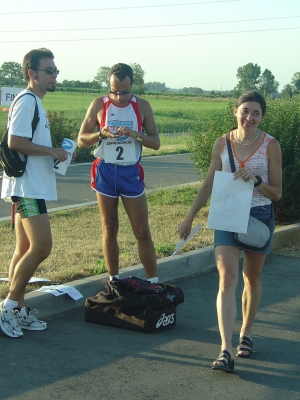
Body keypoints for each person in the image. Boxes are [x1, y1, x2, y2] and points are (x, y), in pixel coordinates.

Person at [178, 90, 282, 372]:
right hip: (226, 214)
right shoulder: (222, 143)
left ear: (262, 117)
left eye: (256, 113)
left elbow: (277, 193)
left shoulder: (271, 145)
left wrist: (258, 180)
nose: (249, 117)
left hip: (258, 216)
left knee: (252, 277)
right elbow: (209, 184)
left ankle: (245, 333)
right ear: (235, 111)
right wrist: (189, 218)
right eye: (245, 110)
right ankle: (225, 349)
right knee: (227, 278)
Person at [0, 48, 69, 338]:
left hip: (31, 187)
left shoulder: (35, 103)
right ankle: (8, 307)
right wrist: (51, 150)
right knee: (41, 247)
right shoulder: (27, 101)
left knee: (23, 249)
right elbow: (15, 141)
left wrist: (54, 155)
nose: (55, 75)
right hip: (27, 190)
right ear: (32, 74)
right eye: (49, 71)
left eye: (56, 70)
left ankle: (17, 309)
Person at [77, 63, 160, 283]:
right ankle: (113, 280)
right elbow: (81, 140)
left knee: (142, 231)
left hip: (130, 172)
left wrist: (136, 134)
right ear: (109, 85)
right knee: (109, 227)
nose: (120, 97)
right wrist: (100, 135)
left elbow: (156, 142)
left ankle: (153, 283)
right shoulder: (99, 104)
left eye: (124, 92)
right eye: (115, 91)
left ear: (132, 85)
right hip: (105, 171)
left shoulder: (142, 106)